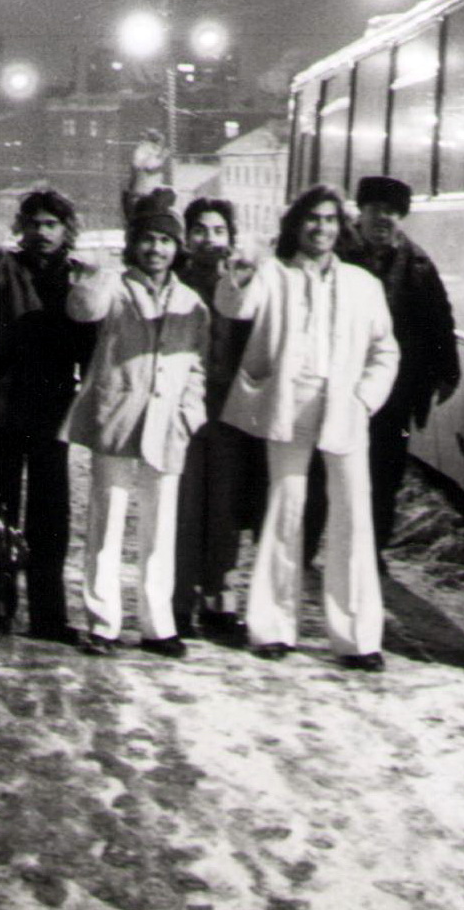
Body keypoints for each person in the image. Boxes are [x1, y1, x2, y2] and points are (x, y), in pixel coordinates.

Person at [217, 185, 399, 672]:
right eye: (312, 219)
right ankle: (273, 627)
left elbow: (386, 351)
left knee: (353, 514)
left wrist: (365, 398)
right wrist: (240, 271)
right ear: (297, 225)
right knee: (286, 507)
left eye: (331, 220)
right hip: (288, 404)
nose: (322, 228)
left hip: (345, 408)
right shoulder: (273, 275)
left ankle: (359, 637)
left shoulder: (364, 284)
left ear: (343, 227)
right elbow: (234, 306)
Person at [61, 201, 209, 657]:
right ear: (133, 244)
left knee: (160, 527)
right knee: (107, 522)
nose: (155, 249)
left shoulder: (192, 304)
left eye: (165, 241)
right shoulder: (115, 291)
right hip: (118, 421)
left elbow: (198, 367)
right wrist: (96, 274)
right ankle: (103, 622)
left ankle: (157, 624)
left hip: (168, 427)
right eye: (147, 239)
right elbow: (82, 310)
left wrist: (190, 414)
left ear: (177, 248)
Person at [0, 188, 94, 641]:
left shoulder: (79, 275)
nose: (42, 233)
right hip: (5, 400)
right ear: (23, 228)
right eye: (35, 224)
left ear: (66, 231)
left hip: (53, 404)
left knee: (50, 515)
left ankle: (49, 616)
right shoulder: (10, 266)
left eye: (52, 225)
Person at [349, 176, 460, 566]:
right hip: (342, 387)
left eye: (393, 213)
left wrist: (448, 371)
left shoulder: (418, 264)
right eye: (376, 210)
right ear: (360, 212)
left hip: (396, 393)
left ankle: (371, 548)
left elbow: (439, 321)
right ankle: (320, 541)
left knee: (387, 470)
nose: (384, 219)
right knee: (338, 467)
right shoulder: (337, 255)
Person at [170, 197, 264, 641]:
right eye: (200, 230)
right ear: (187, 237)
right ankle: (180, 600)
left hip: (230, 411)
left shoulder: (245, 281)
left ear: (231, 237)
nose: (209, 240)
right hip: (183, 409)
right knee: (186, 507)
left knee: (225, 508)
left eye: (218, 231)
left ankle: (219, 598)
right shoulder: (175, 280)